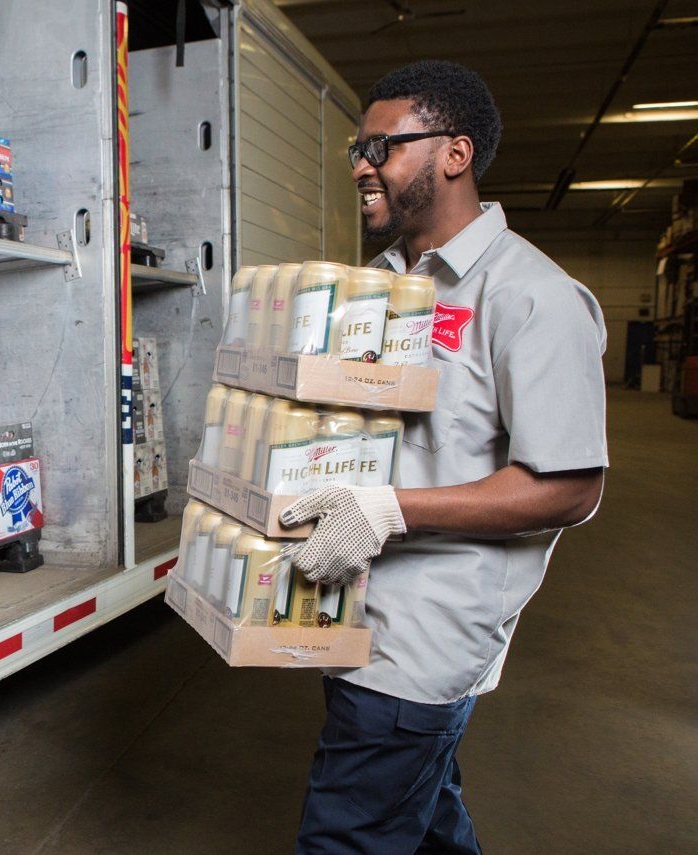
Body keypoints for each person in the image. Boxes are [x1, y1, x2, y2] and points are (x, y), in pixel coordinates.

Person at [279, 60, 608, 853]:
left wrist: (389, 510)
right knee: (424, 817)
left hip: (421, 642)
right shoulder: (384, 284)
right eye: (357, 147)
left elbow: (569, 488)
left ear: (453, 154)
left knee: (346, 836)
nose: (360, 163)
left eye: (380, 145)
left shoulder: (529, 296)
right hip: (359, 607)